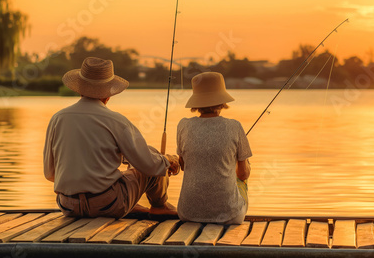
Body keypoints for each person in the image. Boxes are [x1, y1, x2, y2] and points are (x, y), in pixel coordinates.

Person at [44, 57, 180, 218]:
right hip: (108, 205)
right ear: (109, 94)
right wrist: (168, 161)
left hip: (68, 206)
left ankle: (126, 201)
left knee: (138, 162)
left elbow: (49, 173)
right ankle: (160, 206)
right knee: (153, 156)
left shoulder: (57, 118)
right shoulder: (116, 121)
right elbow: (149, 165)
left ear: (80, 89)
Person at [176, 72, 252, 224]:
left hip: (188, 213)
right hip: (230, 216)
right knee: (242, 176)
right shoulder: (234, 126)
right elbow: (243, 175)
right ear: (222, 100)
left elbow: (183, 166)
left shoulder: (183, 125)